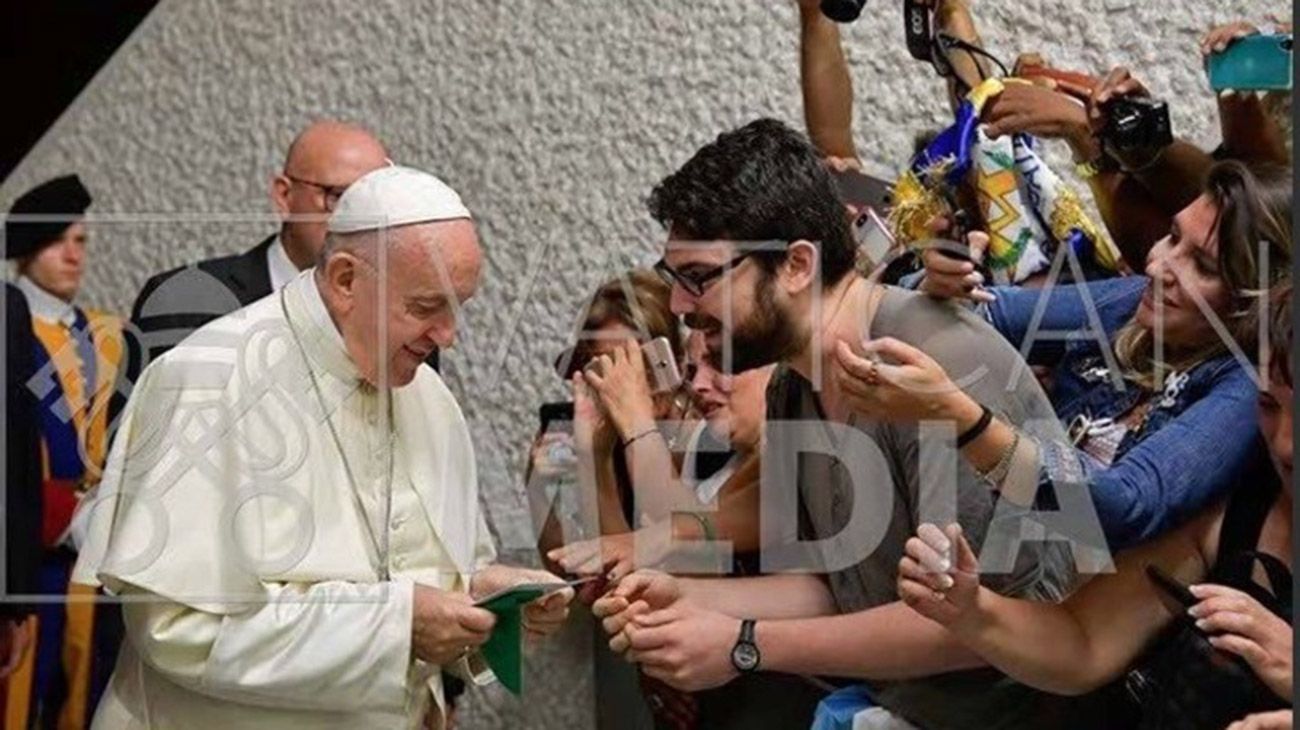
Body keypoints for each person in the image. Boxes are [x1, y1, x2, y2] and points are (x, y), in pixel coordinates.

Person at [594, 118, 1098, 730]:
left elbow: (982, 625)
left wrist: (742, 642)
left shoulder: (933, 360)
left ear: (797, 265)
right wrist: (688, 599)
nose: (678, 306)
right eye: (675, 280)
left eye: (699, 278)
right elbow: (837, 584)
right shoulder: (791, 384)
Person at [71, 166, 573, 729]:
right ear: (344, 280)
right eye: (428, 306)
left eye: (460, 306)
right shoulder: (208, 381)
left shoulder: (429, 397)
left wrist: (481, 597)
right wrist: (397, 626)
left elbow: (423, 574)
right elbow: (176, 627)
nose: (449, 335)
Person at [899, 279, 1293, 730]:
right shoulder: (1236, 508)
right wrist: (973, 610)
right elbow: (1084, 642)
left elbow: (1117, 507)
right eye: (1268, 404)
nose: (1283, 443)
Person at [918, 159, 1291, 549]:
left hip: (1076, 590)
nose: (1156, 263)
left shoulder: (1246, 386)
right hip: (1005, 538)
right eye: (1172, 236)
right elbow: (988, 313)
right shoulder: (1137, 305)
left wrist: (967, 422)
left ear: (1254, 300)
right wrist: (944, 281)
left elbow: (1121, 507)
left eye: (1202, 265)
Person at [126, 120, 439, 370]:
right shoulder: (183, 303)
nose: (359, 221)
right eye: (340, 198)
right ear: (284, 196)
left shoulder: (402, 322)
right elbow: (136, 442)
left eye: (375, 206)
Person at [4, 174, 126, 729]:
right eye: (59, 241)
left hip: (93, 554)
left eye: (81, 241)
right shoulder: (12, 329)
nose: (73, 254)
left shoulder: (108, 334)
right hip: (28, 547)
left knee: (83, 694)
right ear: (27, 248)